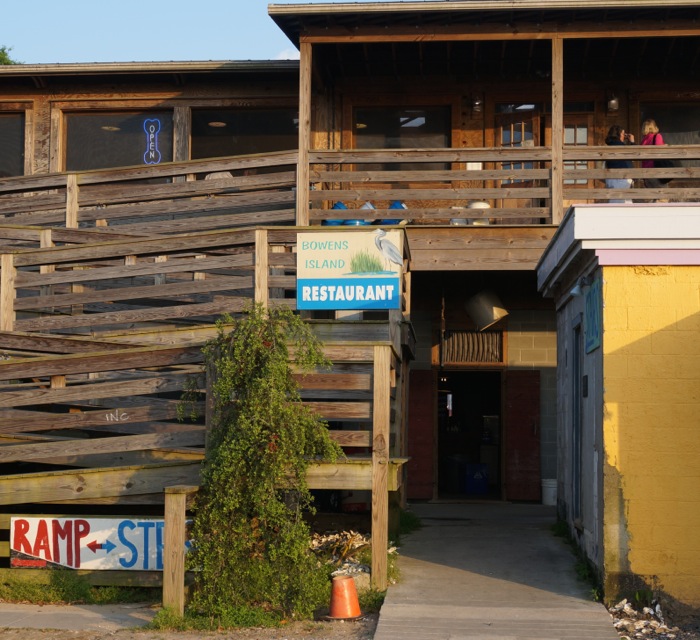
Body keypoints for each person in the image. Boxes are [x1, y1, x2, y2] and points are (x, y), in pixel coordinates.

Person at [605, 125, 635, 203]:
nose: (624, 137)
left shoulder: (609, 146)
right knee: (623, 204)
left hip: (611, 178)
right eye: (623, 134)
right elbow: (635, 154)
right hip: (622, 178)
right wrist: (632, 142)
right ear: (619, 135)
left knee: (614, 201)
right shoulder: (621, 146)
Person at [640, 119, 667, 188]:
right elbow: (659, 151)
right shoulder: (657, 136)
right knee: (663, 196)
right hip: (656, 172)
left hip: (646, 173)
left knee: (654, 196)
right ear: (654, 127)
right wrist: (665, 146)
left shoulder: (644, 140)